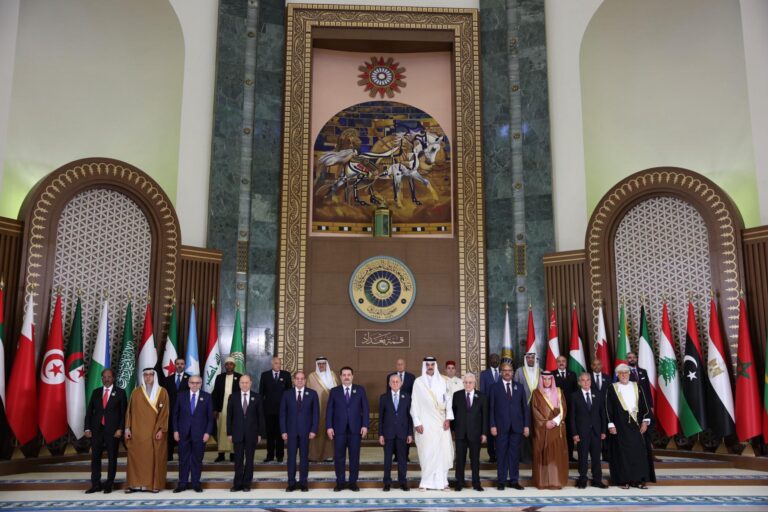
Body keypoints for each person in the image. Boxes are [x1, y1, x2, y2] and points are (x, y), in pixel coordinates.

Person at [606, 364, 656, 489]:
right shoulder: (612, 388)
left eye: (626, 372)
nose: (623, 375)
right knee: (622, 453)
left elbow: (645, 405)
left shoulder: (637, 386)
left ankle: (638, 480)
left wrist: (645, 421)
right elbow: (608, 408)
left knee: (638, 453)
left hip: (637, 426)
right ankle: (624, 480)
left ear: (629, 374)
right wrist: (610, 424)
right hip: (620, 426)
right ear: (617, 375)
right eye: (621, 373)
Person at [410, 356, 454, 491]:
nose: (430, 367)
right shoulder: (418, 383)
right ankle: (426, 482)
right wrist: (417, 422)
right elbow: (414, 403)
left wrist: (448, 418)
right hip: (425, 423)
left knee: (442, 452)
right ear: (424, 366)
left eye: (432, 365)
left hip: (440, 423)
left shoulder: (443, 381)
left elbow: (449, 401)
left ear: (435, 366)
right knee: (427, 452)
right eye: (428, 365)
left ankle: (442, 482)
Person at [124, 368, 170, 493]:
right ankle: (134, 485)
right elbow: (129, 412)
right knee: (136, 459)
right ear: (142, 377)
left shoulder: (162, 392)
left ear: (155, 376)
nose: (148, 377)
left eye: (150, 375)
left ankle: (153, 485)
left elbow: (164, 414)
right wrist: (127, 429)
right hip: (137, 434)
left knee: (153, 459)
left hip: (154, 433)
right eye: (145, 375)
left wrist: (161, 429)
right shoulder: (136, 392)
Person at [326, 366, 369, 492]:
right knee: (339, 457)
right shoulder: (334, 391)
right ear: (340, 377)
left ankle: (353, 482)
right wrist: (329, 426)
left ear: (352, 376)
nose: (346, 377)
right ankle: (340, 482)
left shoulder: (360, 390)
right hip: (338, 429)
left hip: (355, 429)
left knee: (354, 457)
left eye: (348, 374)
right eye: (344, 375)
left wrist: (365, 425)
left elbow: (365, 409)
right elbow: (330, 410)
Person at [84, 368, 126, 494]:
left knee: (112, 458)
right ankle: (96, 484)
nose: (106, 379)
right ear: (101, 378)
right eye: (104, 377)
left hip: (113, 431)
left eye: (109, 377)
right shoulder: (96, 392)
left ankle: (109, 484)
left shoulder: (120, 392)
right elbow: (89, 412)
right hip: (96, 430)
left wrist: (120, 428)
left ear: (113, 378)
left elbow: (124, 413)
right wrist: (87, 427)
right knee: (95, 458)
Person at [489, 362, 529, 491]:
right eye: (504, 370)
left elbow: (525, 408)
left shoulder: (520, 387)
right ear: (501, 372)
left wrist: (526, 425)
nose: (507, 372)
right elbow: (491, 409)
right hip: (500, 427)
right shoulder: (494, 387)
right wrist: (492, 425)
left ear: (513, 372)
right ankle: (501, 481)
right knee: (501, 455)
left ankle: (514, 480)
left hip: (517, 427)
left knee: (514, 455)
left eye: (509, 370)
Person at [173, 374, 213, 493]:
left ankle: (196, 483)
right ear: (189, 383)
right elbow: (175, 415)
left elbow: (210, 418)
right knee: (183, 459)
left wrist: (207, 433)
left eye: (197, 383)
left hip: (200, 434)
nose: (195, 385)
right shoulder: (181, 396)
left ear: (201, 384)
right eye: (192, 383)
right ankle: (182, 483)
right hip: (183, 433)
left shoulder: (207, 397)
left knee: (197, 459)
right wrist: (175, 430)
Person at [280, 370, 319, 492]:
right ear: (293, 380)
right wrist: (283, 431)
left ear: (305, 380)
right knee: (291, 458)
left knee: (304, 458)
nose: (300, 380)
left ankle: (303, 482)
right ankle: (291, 483)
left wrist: (313, 430)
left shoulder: (312, 394)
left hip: (306, 432)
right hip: (290, 432)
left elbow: (316, 414)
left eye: (302, 378)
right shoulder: (287, 394)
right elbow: (282, 414)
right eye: (297, 378)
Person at [227, 374, 265, 492]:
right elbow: (229, 417)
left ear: (251, 383)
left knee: (249, 460)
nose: (244, 384)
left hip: (252, 434)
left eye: (246, 382)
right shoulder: (233, 397)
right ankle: (237, 484)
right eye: (242, 382)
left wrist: (260, 434)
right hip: (237, 433)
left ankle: (247, 484)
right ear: (239, 384)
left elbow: (260, 417)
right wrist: (229, 433)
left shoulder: (257, 397)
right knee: (238, 460)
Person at [531, 371, 568, 490]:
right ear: (541, 380)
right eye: (544, 379)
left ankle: (556, 481)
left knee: (556, 455)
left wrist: (555, 421)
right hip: (543, 429)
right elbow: (534, 411)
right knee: (543, 454)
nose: (547, 382)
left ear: (552, 380)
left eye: (549, 379)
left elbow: (564, 408)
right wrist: (545, 422)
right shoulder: (536, 393)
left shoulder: (559, 391)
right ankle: (543, 482)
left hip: (557, 428)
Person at [569, 372, 607, 489]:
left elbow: (603, 415)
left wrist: (603, 431)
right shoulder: (574, 396)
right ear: (579, 382)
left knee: (596, 456)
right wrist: (574, 433)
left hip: (596, 431)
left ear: (591, 382)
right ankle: (582, 479)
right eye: (583, 380)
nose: (586, 382)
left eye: (588, 380)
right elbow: (572, 417)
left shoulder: (598, 394)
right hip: (582, 432)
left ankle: (597, 479)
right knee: (583, 456)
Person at [451, 373, 487, 492]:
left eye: (470, 382)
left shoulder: (481, 396)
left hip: (475, 434)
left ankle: (476, 483)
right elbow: (453, 414)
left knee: (475, 460)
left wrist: (484, 433)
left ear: (474, 383)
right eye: (465, 382)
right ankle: (459, 483)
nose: (467, 384)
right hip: (460, 433)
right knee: (460, 460)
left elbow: (484, 417)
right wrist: (452, 431)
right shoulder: (457, 395)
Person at [379, 373, 413, 492]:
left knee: (402, 459)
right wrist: (380, 434)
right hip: (388, 433)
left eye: (397, 381)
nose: (395, 383)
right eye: (392, 381)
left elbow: (409, 417)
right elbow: (381, 418)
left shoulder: (407, 397)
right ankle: (387, 482)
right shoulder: (383, 397)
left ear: (401, 383)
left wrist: (410, 433)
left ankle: (402, 482)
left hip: (402, 433)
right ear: (389, 384)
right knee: (387, 459)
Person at [307, 356, 340, 462]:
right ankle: (314, 455)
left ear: (326, 364)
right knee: (316, 430)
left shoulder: (333, 376)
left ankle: (328, 455)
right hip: (317, 409)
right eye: (319, 364)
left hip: (331, 409)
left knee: (329, 431)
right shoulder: (312, 376)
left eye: (323, 363)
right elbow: (308, 394)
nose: (321, 366)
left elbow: (338, 392)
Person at [259, 356, 292, 463]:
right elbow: (261, 393)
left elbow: (289, 393)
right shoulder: (265, 375)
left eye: (280, 363)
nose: (279, 365)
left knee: (280, 434)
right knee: (270, 434)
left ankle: (280, 456)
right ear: (272, 364)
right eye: (276, 363)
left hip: (282, 411)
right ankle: (269, 456)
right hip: (268, 410)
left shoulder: (286, 375)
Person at [212, 356, 242, 462]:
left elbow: (242, 394)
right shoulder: (219, 377)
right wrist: (215, 409)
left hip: (235, 408)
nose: (229, 366)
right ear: (225, 366)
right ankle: (221, 454)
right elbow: (215, 394)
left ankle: (233, 454)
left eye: (231, 364)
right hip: (221, 407)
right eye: (227, 364)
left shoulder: (239, 377)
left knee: (234, 429)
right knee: (221, 430)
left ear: (234, 366)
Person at [513, 350, 539, 463]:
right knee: (524, 432)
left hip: (537, 408)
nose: (530, 360)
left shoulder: (541, 371)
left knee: (535, 432)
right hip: (523, 407)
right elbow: (515, 389)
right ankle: (524, 457)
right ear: (525, 359)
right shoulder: (519, 371)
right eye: (528, 358)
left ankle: (535, 456)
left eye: (532, 357)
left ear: (535, 359)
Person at [162, 357, 189, 461]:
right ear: (174, 365)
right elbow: (164, 396)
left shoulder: (190, 379)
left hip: (184, 412)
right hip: (170, 411)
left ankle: (182, 455)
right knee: (170, 433)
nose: (179, 365)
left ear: (184, 365)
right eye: (177, 364)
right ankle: (169, 455)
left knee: (183, 433)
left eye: (182, 364)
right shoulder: (167, 379)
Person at [554, 355, 578, 461]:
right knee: (557, 432)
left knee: (569, 431)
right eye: (559, 361)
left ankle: (569, 455)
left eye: (563, 361)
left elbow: (575, 391)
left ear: (566, 362)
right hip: (557, 408)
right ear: (556, 362)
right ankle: (557, 454)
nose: (561, 363)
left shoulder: (572, 374)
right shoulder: (552, 374)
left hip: (570, 407)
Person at [479, 353, 501, 462]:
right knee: (491, 432)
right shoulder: (484, 374)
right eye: (492, 358)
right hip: (489, 408)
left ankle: (501, 453)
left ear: (499, 360)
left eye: (496, 359)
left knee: (501, 432)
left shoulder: (504, 373)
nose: (494, 360)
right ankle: (492, 455)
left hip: (502, 408)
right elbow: (482, 392)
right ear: (489, 360)